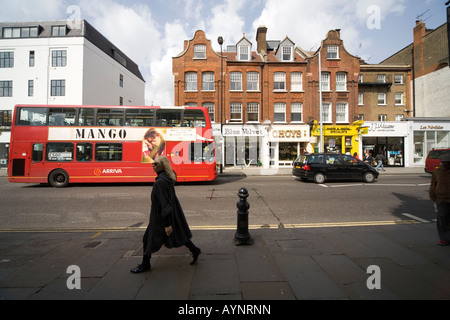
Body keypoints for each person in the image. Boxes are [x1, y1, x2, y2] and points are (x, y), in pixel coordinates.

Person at [131, 156, 201, 273]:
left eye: (155, 164)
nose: (152, 166)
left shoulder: (160, 183)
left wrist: (167, 224)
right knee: (179, 234)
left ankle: (145, 264)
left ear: (163, 166)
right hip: (169, 215)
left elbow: (165, 205)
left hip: (160, 218)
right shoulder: (167, 177)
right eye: (152, 164)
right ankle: (194, 250)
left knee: (147, 239)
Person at [429, 153, 450, 246]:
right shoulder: (437, 172)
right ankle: (444, 239)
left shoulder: (437, 172)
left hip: (442, 198)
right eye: (445, 162)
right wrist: (434, 198)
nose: (446, 164)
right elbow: (433, 186)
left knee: (443, 220)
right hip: (442, 199)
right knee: (442, 220)